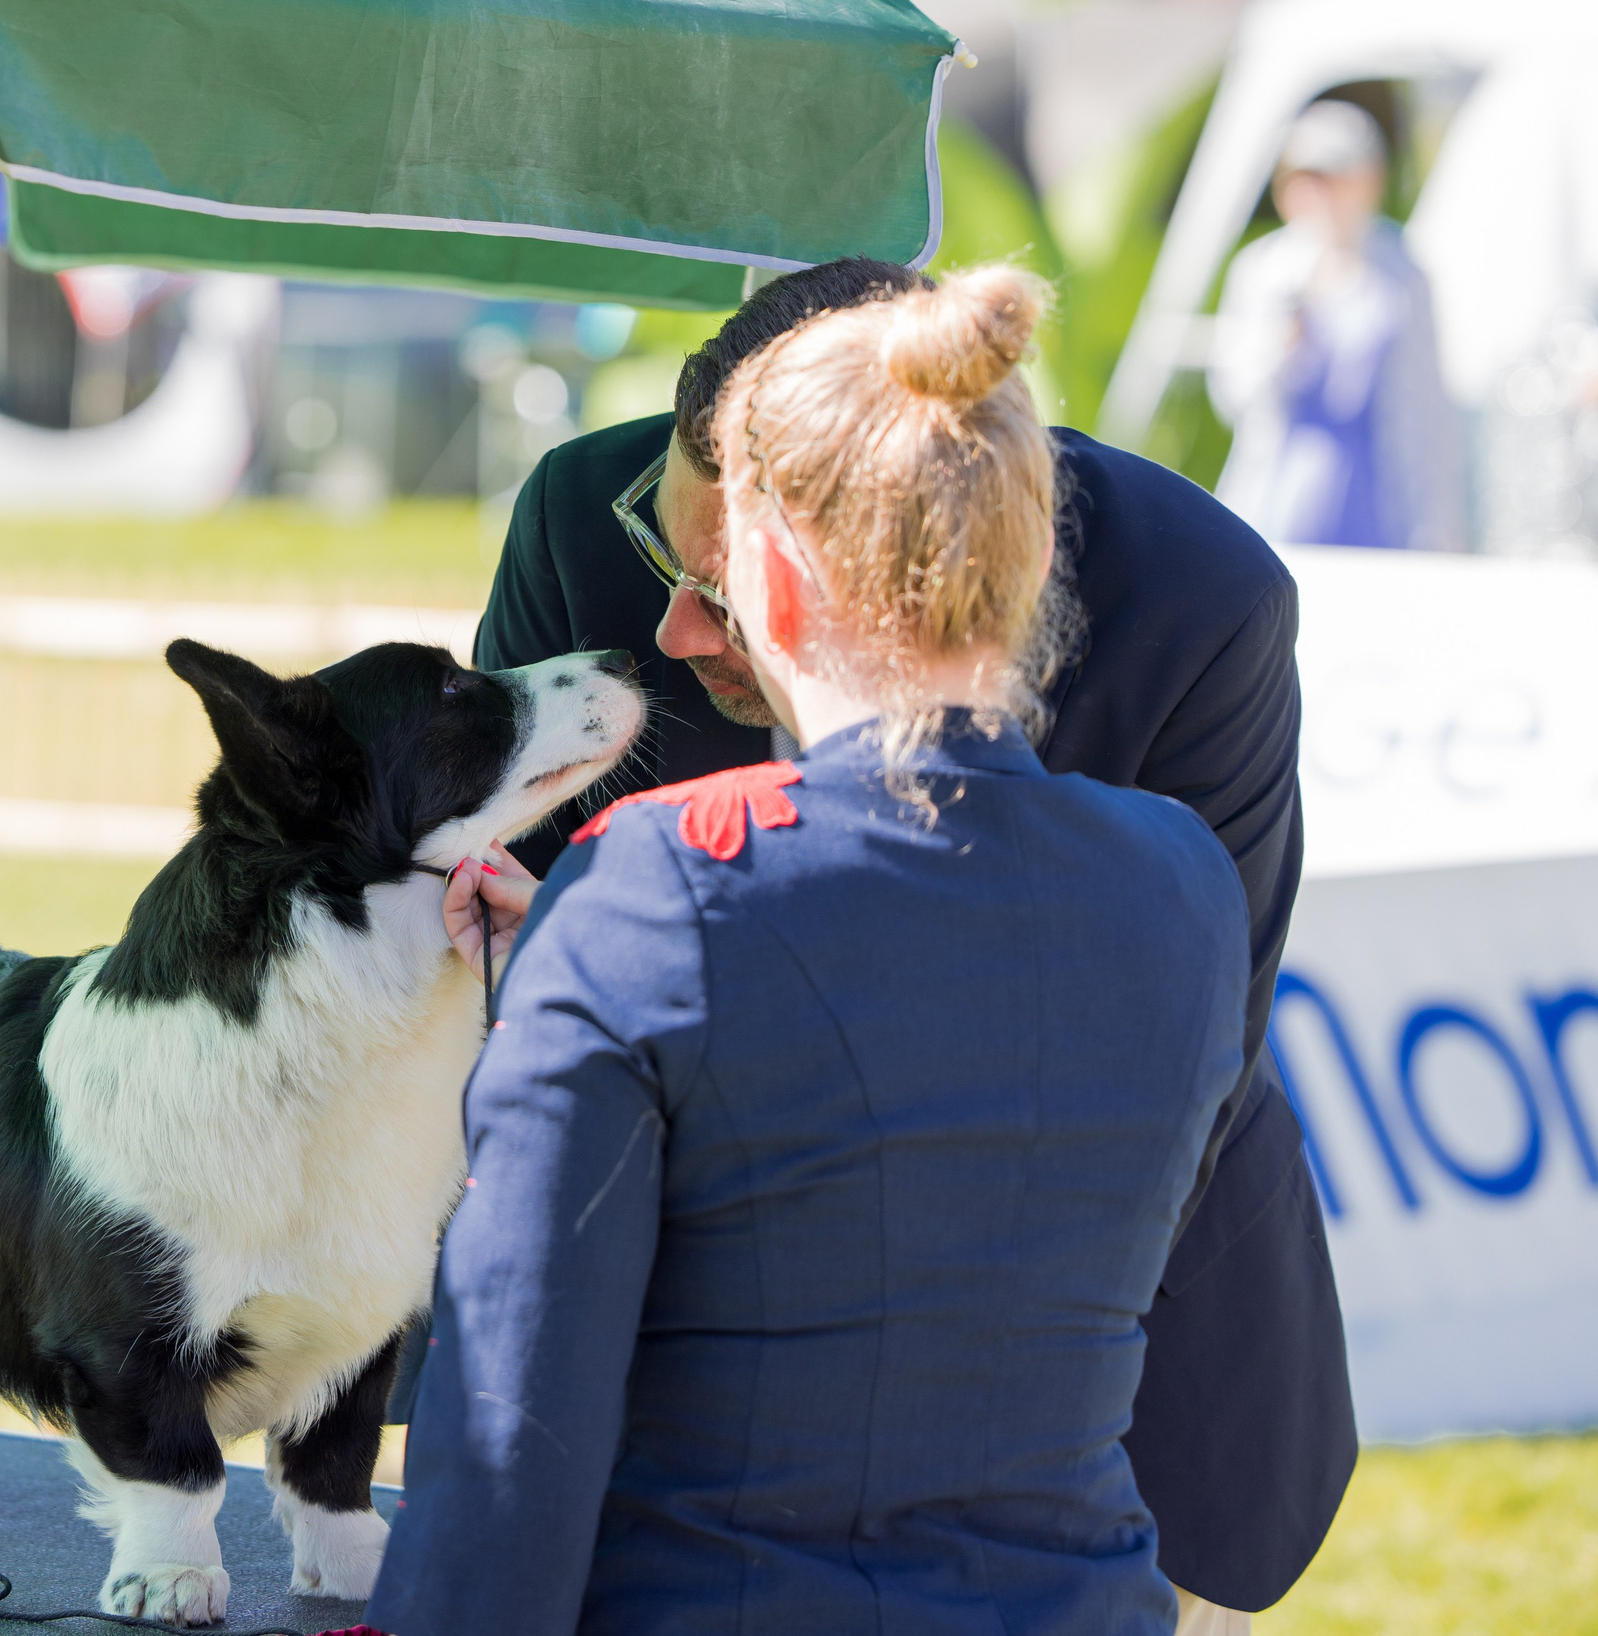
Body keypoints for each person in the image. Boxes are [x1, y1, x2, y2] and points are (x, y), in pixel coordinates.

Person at [437, 254, 1357, 1629]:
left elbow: (502, 1471)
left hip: (1057, 1376)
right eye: (664, 561)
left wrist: (611, 951)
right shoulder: (1174, 874)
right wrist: (583, 987)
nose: (675, 628)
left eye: (718, 583)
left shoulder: (1208, 606)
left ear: (789, 584)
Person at [1208, 99, 1465, 552]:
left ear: (1370, 180)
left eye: (1338, 178)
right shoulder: (1264, 268)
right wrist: (1279, 347)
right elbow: (1233, 395)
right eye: (1310, 179)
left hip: (1377, 502)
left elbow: (1427, 414)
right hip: (1278, 494)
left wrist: (1438, 521)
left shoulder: (1403, 273)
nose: (1324, 195)